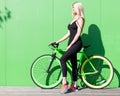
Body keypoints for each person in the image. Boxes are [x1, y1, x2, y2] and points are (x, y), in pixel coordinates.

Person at [51, 2, 85, 93]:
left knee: (62, 59)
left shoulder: (80, 19)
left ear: (78, 8)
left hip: (77, 44)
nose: (73, 9)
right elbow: (69, 34)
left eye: (74, 8)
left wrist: (70, 45)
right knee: (74, 64)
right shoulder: (73, 19)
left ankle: (64, 82)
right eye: (72, 8)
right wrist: (57, 41)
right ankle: (74, 86)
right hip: (71, 43)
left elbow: (78, 34)